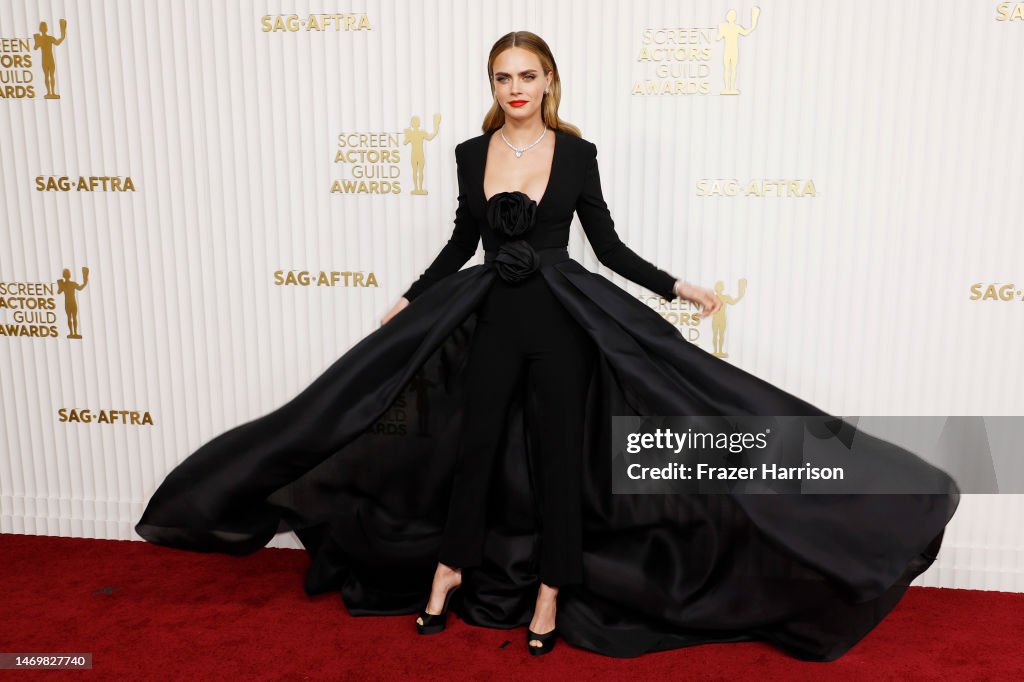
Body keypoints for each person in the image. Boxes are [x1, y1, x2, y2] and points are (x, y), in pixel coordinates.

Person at [136, 31, 960, 661]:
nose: (516, 89)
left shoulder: (578, 153)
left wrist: (677, 287)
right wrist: (409, 300)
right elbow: (462, 242)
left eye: (529, 76)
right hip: (490, 318)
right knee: (477, 453)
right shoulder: (470, 153)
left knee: (560, 461)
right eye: (503, 78)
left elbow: (607, 246)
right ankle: (448, 572)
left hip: (562, 323)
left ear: (550, 82)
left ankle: (551, 594)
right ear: (491, 86)